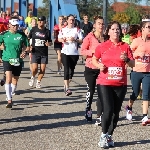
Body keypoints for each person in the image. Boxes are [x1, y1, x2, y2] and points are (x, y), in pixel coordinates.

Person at [92, 21, 134, 148]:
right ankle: (103, 136)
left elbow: (132, 64)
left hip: (120, 83)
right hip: (104, 82)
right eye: (113, 29)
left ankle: (109, 135)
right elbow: (94, 58)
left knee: (116, 113)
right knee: (108, 110)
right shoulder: (102, 46)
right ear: (108, 31)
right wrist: (99, 65)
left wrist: (126, 59)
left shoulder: (125, 46)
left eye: (118, 29)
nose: (116, 31)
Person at [0, 16, 30, 108]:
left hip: (18, 60)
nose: (15, 27)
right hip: (7, 59)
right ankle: (9, 100)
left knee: (15, 80)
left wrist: (25, 52)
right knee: (8, 78)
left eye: (17, 25)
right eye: (13, 25)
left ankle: (11, 95)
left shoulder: (22, 35)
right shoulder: (3, 34)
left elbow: (28, 47)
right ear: (9, 25)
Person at [125, 19, 150, 126]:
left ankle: (145, 116)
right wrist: (138, 54)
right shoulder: (136, 41)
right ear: (142, 29)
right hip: (136, 70)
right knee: (135, 92)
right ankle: (129, 107)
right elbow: (129, 54)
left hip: (148, 72)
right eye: (148, 27)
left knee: (146, 94)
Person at [80, 16, 105, 123]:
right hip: (90, 68)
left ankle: (99, 115)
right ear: (94, 25)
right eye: (99, 23)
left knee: (101, 92)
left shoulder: (106, 38)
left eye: (103, 24)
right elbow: (82, 51)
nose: (101, 26)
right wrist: (93, 52)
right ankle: (88, 109)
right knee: (91, 90)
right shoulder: (89, 37)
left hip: (102, 69)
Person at [58, 14, 83, 96]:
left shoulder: (77, 30)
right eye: (70, 20)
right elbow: (59, 38)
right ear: (67, 21)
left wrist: (75, 39)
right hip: (65, 52)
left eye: (73, 20)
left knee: (71, 71)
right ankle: (67, 88)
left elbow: (81, 40)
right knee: (66, 69)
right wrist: (63, 39)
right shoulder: (63, 30)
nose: (72, 21)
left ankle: (66, 84)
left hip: (74, 53)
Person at [28, 16, 52, 88]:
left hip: (44, 52)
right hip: (35, 52)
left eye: (42, 21)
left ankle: (38, 82)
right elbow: (28, 38)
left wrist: (49, 44)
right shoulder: (33, 30)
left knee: (43, 69)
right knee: (35, 69)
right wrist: (29, 46)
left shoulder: (47, 31)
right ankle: (32, 77)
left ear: (45, 22)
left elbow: (50, 41)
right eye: (39, 21)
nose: (40, 22)